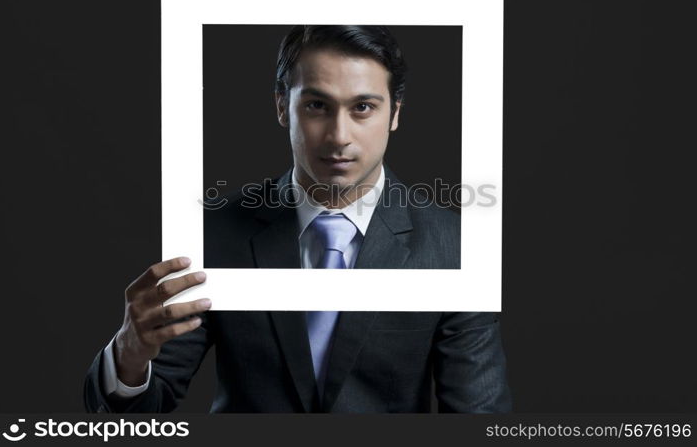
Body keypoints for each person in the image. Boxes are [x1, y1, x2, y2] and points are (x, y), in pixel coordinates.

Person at [83, 25, 512, 413]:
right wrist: (130, 355)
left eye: (363, 107)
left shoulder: (455, 246)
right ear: (281, 107)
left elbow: (480, 420)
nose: (339, 136)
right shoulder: (212, 234)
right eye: (317, 106)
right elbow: (138, 419)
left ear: (395, 113)